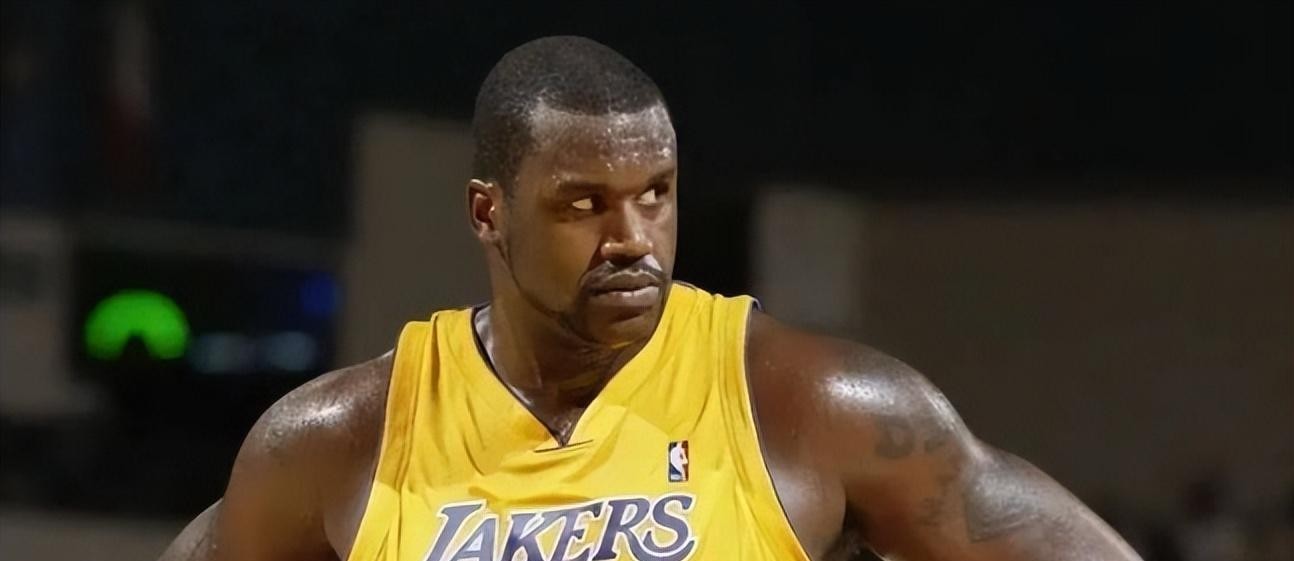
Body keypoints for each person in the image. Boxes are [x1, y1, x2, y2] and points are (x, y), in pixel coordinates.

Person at [159, 36, 1142, 561]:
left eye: (656, 194)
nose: (632, 237)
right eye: (583, 204)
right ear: (488, 213)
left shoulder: (809, 405)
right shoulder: (340, 441)